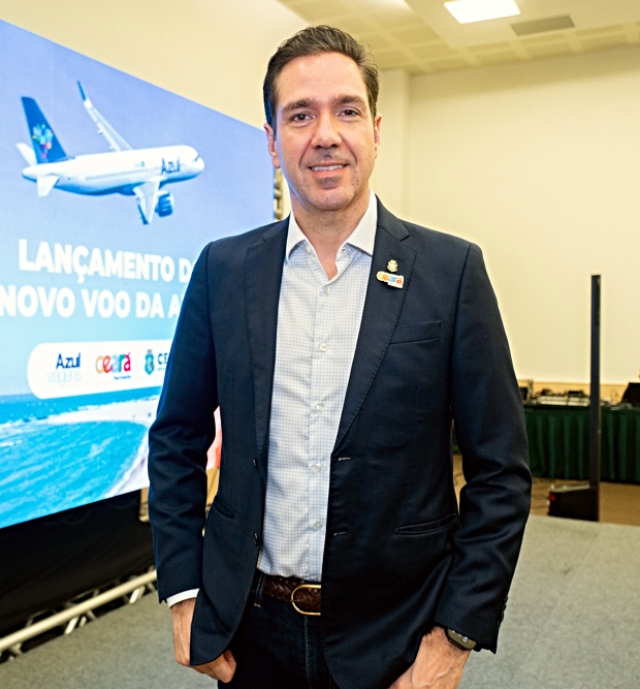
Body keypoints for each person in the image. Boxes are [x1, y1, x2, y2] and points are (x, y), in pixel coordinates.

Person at [148, 25, 531, 689]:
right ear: (272, 141)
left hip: (396, 639)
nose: (325, 134)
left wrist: (455, 635)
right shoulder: (224, 271)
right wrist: (184, 595)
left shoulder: (451, 273)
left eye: (347, 110)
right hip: (251, 633)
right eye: (300, 115)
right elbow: (176, 438)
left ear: (375, 131)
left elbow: (500, 472)